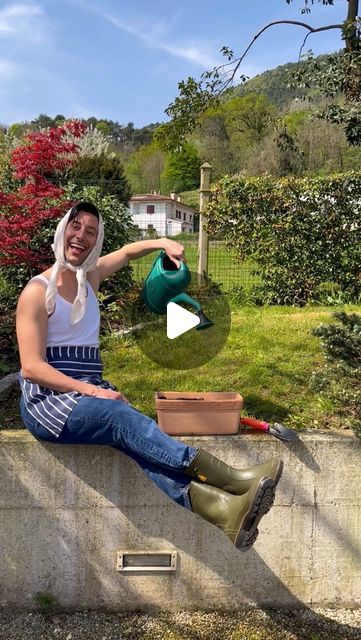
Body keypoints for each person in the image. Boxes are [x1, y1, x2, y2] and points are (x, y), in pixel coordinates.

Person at [16, 201, 283, 552]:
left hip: (85, 392)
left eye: (91, 231)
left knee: (136, 440)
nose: (81, 235)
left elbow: (127, 252)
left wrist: (163, 244)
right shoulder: (37, 292)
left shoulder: (89, 278)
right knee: (120, 417)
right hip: (49, 403)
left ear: (96, 242)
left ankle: (226, 514)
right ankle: (232, 480)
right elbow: (32, 368)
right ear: (62, 230)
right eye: (76, 226)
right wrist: (94, 393)